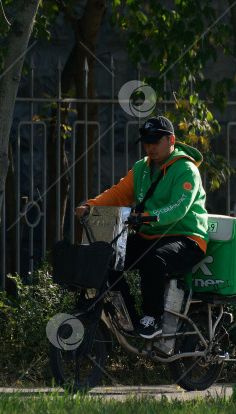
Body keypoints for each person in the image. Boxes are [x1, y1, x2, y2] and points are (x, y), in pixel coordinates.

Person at [75, 116, 208, 338]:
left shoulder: (186, 169)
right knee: (106, 256)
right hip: (151, 236)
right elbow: (118, 194)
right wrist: (91, 206)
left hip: (187, 239)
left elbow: (179, 208)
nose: (150, 147)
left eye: (156, 141)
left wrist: (145, 217)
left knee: (153, 258)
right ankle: (128, 316)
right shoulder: (141, 168)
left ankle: (152, 318)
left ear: (171, 140)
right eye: (147, 142)